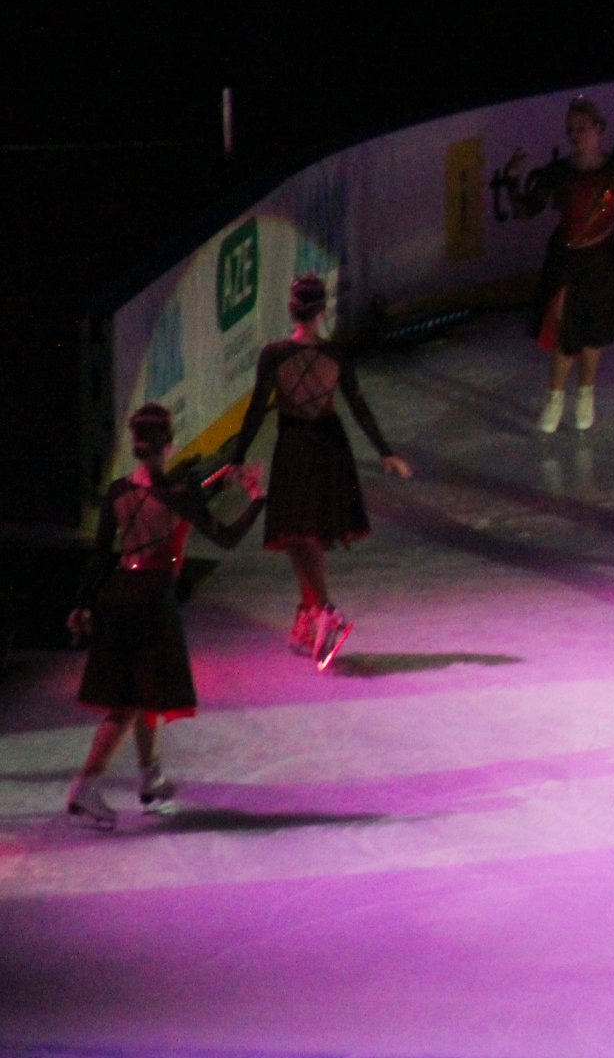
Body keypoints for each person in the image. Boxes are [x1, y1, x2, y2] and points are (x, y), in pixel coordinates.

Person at [65, 404, 266, 829]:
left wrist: (81, 604)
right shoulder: (179, 496)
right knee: (128, 704)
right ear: (169, 444)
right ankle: (85, 787)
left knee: (145, 693)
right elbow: (226, 538)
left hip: (118, 594)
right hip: (152, 603)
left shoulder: (118, 492)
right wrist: (256, 499)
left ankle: (151, 781)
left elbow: (102, 555)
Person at [225, 274, 414, 669]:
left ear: (292, 309)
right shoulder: (336, 355)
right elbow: (358, 404)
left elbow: (257, 409)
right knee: (301, 536)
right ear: (323, 311)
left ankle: (324, 610)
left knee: (300, 533)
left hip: (295, 446)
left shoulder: (274, 355)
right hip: (330, 446)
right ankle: (311, 610)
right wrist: (384, 451)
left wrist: (238, 457)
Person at [504, 95, 614, 433]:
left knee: (594, 331)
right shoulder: (559, 173)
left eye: (582, 128)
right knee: (564, 329)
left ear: (598, 129)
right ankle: (554, 398)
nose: (575, 135)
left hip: (603, 257)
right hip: (565, 259)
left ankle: (585, 395)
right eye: (571, 130)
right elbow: (527, 210)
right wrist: (511, 179)